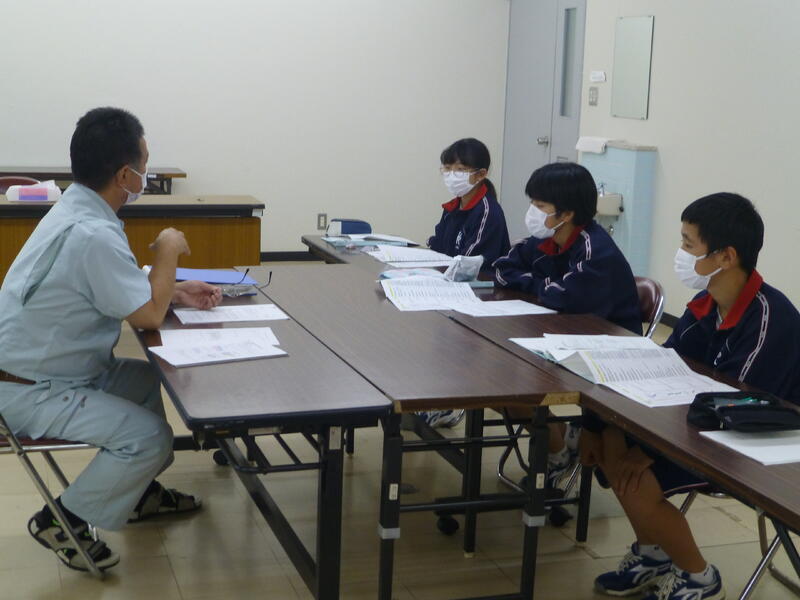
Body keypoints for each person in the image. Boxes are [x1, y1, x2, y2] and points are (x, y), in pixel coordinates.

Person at [0, 107, 222, 572]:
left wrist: (173, 289)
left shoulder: (76, 209)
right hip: (29, 388)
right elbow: (148, 314)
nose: (146, 173)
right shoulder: (91, 231)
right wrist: (168, 250)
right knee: (150, 438)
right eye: (144, 163)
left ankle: (138, 495)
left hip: (44, 367)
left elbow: (111, 283)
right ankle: (61, 521)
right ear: (125, 175)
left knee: (144, 381)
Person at [584, 193, 800, 600]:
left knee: (638, 472)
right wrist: (595, 423)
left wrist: (652, 450)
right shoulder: (706, 303)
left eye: (688, 244)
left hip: (754, 444)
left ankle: (699, 577)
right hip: (702, 427)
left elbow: (734, 406)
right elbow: (665, 365)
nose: (680, 253)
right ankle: (653, 553)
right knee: (613, 437)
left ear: (726, 256)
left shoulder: (770, 320)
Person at [493, 162, 642, 486]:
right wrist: (541, 285)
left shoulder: (595, 250)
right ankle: (559, 445)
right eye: (533, 203)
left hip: (606, 352)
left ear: (567, 213)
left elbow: (565, 299)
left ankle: (562, 447)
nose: (533, 212)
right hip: (558, 336)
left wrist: (536, 284)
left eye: (540, 205)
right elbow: (503, 269)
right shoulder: (545, 239)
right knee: (500, 382)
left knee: (512, 384)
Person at [421, 138, 510, 429]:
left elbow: (470, 261)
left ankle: (450, 401)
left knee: (455, 346)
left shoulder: (486, 211)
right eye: (447, 168)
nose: (451, 175)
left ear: (480, 174)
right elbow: (438, 245)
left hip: (481, 294)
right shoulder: (454, 206)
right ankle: (439, 398)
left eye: (459, 169)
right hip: (451, 287)